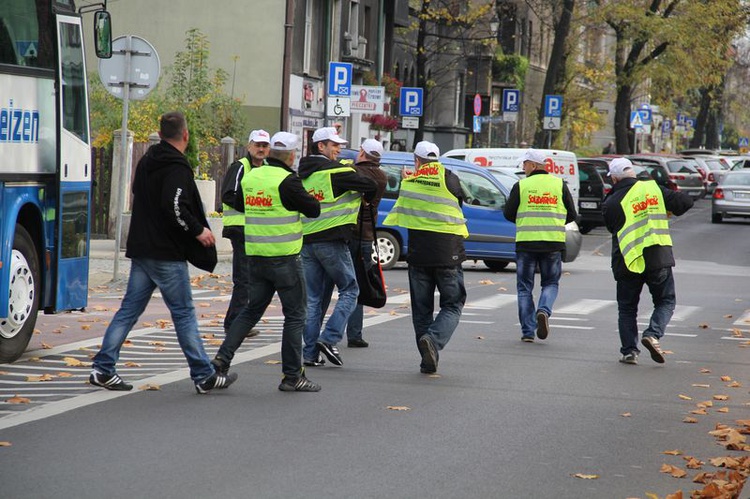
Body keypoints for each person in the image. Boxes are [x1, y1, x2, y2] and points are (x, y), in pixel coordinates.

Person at [90, 111, 237, 394]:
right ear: (185, 135)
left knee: (129, 310)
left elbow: (139, 194)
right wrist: (198, 231)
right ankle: (204, 374)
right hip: (165, 252)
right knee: (183, 313)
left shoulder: (148, 160)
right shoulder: (177, 167)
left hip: (142, 248)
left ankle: (103, 368)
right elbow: (175, 207)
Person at [211, 132, 323, 391]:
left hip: (256, 257)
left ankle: (221, 362)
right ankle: (293, 377)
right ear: (292, 155)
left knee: (250, 312)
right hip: (284, 259)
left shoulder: (251, 177)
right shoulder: (288, 181)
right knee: (295, 316)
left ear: (271, 153)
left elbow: (238, 202)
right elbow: (313, 209)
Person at [383, 141, 467, 374]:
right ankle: (433, 340)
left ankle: (426, 357)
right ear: (437, 160)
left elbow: (405, 201)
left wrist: (406, 178)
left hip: (419, 254)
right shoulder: (450, 178)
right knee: (453, 303)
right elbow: (459, 204)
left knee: (421, 310)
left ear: (416, 161)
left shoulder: (409, 182)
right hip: (448, 254)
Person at [297, 127, 377, 367]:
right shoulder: (336, 172)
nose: (339, 149)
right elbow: (370, 184)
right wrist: (363, 197)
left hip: (307, 241)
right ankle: (329, 338)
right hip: (332, 240)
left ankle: (310, 355)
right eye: (334, 145)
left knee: (312, 300)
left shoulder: (302, 173)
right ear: (321, 146)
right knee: (351, 290)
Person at [602, 157, 693, 365]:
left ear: (614, 178)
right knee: (666, 301)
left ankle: (629, 352)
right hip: (657, 258)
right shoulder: (654, 190)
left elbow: (611, 226)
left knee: (627, 308)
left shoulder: (612, 201)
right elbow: (686, 202)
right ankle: (653, 334)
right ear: (633, 174)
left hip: (628, 259)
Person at [503, 148, 577, 343]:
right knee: (551, 283)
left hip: (526, 243)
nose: (523, 167)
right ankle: (543, 310)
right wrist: (554, 221)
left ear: (533, 165)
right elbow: (572, 214)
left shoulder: (522, 185)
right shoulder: (559, 185)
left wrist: (525, 220)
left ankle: (528, 331)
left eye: (525, 163)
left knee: (524, 288)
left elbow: (508, 213)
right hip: (552, 243)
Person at [332, 139, 388, 348]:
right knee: (358, 284)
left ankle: (325, 331)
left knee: (336, 283)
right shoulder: (382, 177)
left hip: (347, 233)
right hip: (366, 237)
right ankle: (355, 334)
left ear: (362, 153)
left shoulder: (353, 172)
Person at [221, 129, 271, 334]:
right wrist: (254, 206)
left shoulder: (268, 168)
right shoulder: (240, 167)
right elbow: (228, 195)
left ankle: (237, 321)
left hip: (258, 231)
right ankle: (234, 324)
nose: (261, 149)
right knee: (244, 279)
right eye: (257, 145)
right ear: (249, 146)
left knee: (252, 279)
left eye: (264, 145)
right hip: (240, 229)